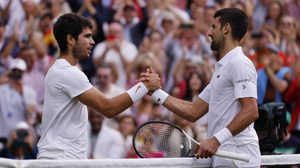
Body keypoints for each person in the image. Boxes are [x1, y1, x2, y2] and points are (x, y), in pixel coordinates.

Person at [141, 8, 260, 167]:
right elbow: (193, 112)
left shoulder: (240, 63)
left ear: (226, 28)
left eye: (214, 27)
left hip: (239, 157)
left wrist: (215, 140)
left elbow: (251, 111)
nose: (209, 33)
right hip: (226, 158)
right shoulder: (223, 68)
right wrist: (156, 92)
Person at [37, 13, 161, 160]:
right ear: (70, 39)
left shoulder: (61, 70)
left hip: (63, 158)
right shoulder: (67, 72)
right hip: (61, 159)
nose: (92, 41)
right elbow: (109, 108)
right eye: (87, 36)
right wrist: (144, 87)